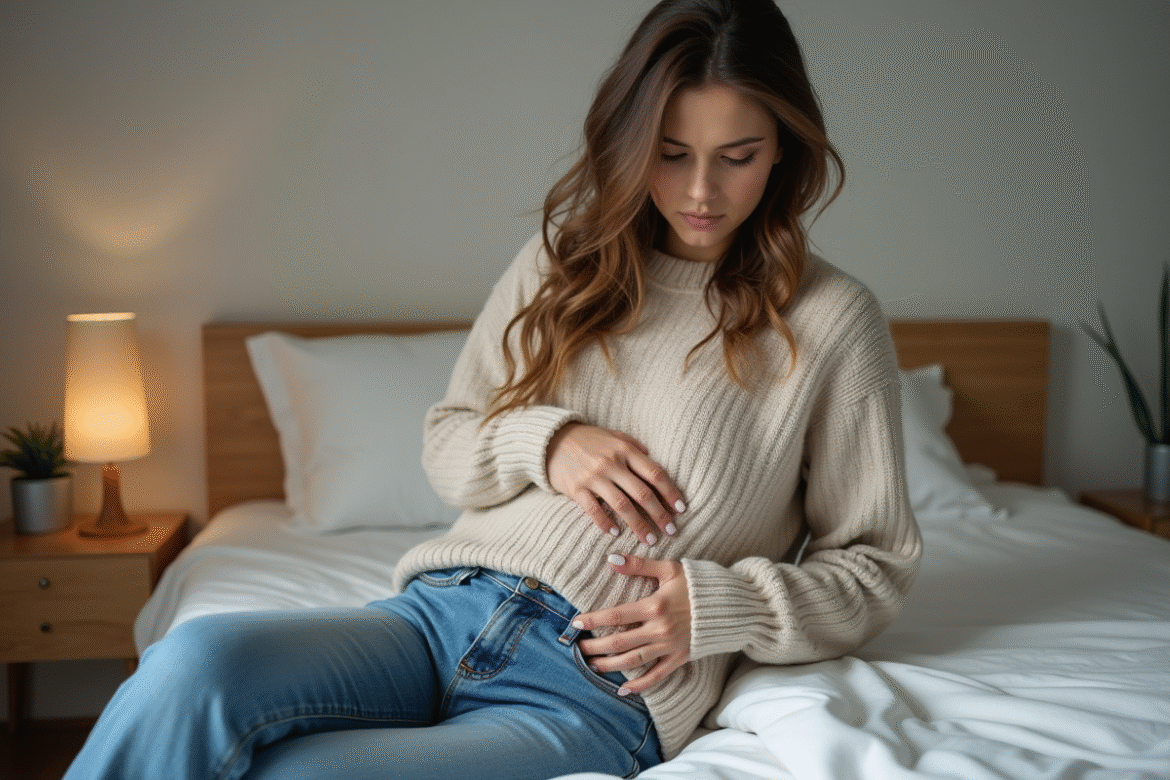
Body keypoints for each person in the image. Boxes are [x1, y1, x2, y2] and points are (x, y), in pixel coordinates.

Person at [65, 1, 921, 778]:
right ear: (631, 144)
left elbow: (876, 565)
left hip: (591, 689)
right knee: (192, 663)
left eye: (738, 157)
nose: (701, 191)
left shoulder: (832, 320)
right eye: (671, 154)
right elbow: (449, 441)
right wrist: (547, 442)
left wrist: (720, 607)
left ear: (784, 148)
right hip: (440, 614)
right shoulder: (565, 265)